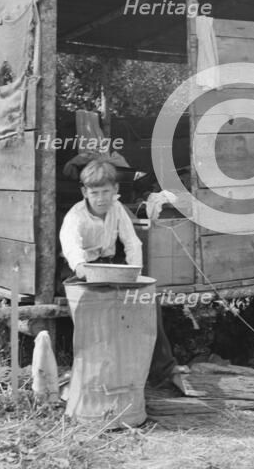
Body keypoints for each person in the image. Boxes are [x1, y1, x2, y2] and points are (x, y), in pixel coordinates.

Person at [59, 158, 190, 392]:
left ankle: (163, 372)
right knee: (97, 308)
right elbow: (73, 253)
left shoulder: (117, 209)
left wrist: (136, 276)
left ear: (115, 190)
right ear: (84, 192)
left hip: (111, 267)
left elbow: (132, 243)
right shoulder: (75, 217)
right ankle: (95, 376)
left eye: (106, 192)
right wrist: (88, 274)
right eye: (95, 192)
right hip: (81, 271)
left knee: (148, 302)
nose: (101, 198)